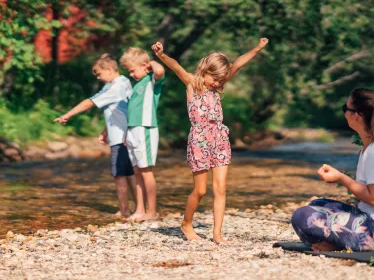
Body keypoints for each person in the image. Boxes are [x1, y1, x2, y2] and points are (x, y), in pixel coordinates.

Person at [152, 38, 269, 244]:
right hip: (199, 139)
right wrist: (161, 55)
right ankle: (186, 223)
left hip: (220, 138)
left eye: (221, 81)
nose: (217, 83)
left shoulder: (218, 85)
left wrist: (258, 49)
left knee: (221, 187)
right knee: (200, 190)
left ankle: (217, 234)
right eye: (214, 79)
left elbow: (239, 63)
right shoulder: (192, 83)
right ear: (204, 70)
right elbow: (176, 66)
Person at [291, 88, 374, 251]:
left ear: (357, 115)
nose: (344, 112)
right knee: (317, 204)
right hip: (373, 222)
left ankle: (344, 244)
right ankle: (337, 243)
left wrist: (341, 178)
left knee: (302, 216)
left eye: (345, 108)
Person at [54, 54, 137, 217]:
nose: (98, 78)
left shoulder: (115, 86)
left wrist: (67, 115)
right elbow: (118, 111)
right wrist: (105, 131)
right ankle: (140, 208)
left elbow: (89, 102)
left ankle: (124, 210)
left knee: (120, 174)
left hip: (120, 139)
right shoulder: (122, 82)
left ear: (110, 69)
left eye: (99, 74)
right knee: (130, 173)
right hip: (124, 135)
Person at [119, 47, 165, 222]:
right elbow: (132, 110)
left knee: (146, 171)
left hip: (145, 128)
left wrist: (150, 63)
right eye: (129, 71)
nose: (131, 74)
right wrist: (127, 132)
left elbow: (159, 70)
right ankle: (139, 209)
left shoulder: (151, 81)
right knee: (137, 170)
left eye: (133, 70)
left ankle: (151, 210)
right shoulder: (136, 85)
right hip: (133, 130)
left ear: (145, 66)